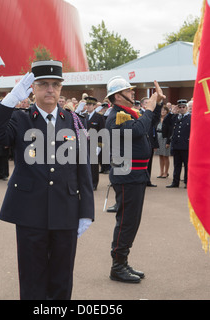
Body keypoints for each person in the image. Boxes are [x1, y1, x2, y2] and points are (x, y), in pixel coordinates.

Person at [0, 60, 94, 300]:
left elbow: (82, 168)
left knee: (62, 277)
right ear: (32, 88)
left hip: (65, 209)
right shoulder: (21, 119)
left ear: (61, 88)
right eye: (43, 84)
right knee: (32, 278)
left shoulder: (74, 121)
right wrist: (10, 99)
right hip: (30, 211)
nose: (50, 90)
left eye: (55, 84)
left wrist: (86, 210)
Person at [105, 76, 163, 283]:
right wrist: (149, 109)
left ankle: (123, 261)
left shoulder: (128, 113)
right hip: (127, 176)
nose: (132, 93)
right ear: (117, 96)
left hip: (135, 175)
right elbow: (138, 130)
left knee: (132, 221)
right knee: (126, 223)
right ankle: (117, 266)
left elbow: (149, 124)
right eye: (128, 91)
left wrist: (158, 106)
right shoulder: (116, 116)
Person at [165, 99, 191, 188]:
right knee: (176, 165)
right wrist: (171, 113)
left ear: (187, 108)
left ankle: (187, 182)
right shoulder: (175, 117)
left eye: (183, 107)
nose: (182, 109)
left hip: (186, 145)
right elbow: (166, 123)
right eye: (180, 107)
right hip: (176, 145)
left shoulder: (191, 117)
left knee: (187, 165)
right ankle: (175, 182)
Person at [85, 96, 106, 190]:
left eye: (90, 105)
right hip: (84, 143)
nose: (88, 106)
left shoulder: (99, 116)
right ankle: (86, 182)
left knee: (93, 165)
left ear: (94, 106)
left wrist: (99, 146)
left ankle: (94, 183)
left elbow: (102, 132)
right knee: (84, 164)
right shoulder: (83, 116)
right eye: (87, 104)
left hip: (94, 143)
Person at [155, 105, 171, 178]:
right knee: (160, 156)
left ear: (167, 111)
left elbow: (170, 131)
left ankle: (166, 172)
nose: (163, 111)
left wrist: (168, 142)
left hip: (165, 138)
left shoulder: (168, 119)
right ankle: (161, 172)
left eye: (164, 110)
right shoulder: (158, 119)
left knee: (165, 156)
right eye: (162, 110)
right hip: (158, 137)